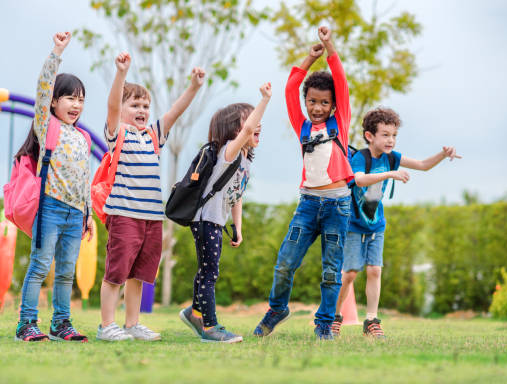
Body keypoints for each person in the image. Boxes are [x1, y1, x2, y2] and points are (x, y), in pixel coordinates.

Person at [96, 51, 205, 341]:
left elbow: (174, 113)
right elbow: (111, 106)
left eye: (146, 105)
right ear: (122, 110)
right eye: (135, 105)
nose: (142, 109)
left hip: (151, 218)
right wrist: (121, 73)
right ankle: (107, 325)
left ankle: (132, 324)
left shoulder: (153, 135)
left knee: (138, 275)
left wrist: (193, 87)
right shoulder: (118, 133)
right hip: (125, 215)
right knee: (116, 273)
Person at [253, 26, 353, 340]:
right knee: (285, 263)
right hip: (308, 204)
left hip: (338, 204)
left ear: (334, 106)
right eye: (312, 101)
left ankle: (324, 323)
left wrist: (329, 45)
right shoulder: (303, 127)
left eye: (324, 102)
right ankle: (277, 308)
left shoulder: (341, 123)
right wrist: (309, 58)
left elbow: (342, 82)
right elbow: (291, 87)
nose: (317, 107)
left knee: (330, 271)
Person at [331, 107, 460, 338]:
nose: (390, 140)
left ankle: (371, 320)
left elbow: (422, 165)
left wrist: (442, 155)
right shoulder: (361, 157)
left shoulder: (393, 158)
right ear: (370, 136)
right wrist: (389, 175)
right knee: (349, 273)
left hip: (376, 225)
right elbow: (359, 180)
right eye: (385, 134)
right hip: (353, 224)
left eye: (393, 135)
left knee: (374, 270)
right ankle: (335, 316)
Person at [179, 83, 272, 343]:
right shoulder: (228, 153)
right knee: (209, 273)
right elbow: (249, 129)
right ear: (235, 129)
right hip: (205, 219)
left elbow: (236, 196)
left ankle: (194, 312)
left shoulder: (244, 160)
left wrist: (237, 227)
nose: (258, 126)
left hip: (216, 221)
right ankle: (209, 327)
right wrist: (264, 100)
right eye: (250, 120)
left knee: (206, 270)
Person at [16, 32, 94, 342]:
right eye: (70, 98)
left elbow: (83, 179)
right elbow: (41, 88)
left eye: (81, 99)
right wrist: (56, 52)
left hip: (75, 212)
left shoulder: (83, 137)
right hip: (49, 206)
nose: (77, 104)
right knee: (39, 267)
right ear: (54, 102)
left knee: (65, 272)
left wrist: (87, 213)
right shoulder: (47, 126)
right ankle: (26, 324)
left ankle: (61, 323)